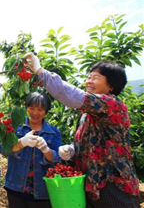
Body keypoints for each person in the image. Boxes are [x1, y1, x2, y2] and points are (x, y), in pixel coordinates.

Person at [23, 53, 141, 208]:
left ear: (112, 85)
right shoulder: (87, 114)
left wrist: (40, 71)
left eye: (96, 77)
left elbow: (70, 94)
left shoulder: (112, 105)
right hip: (91, 185)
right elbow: (90, 143)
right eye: (89, 76)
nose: (89, 81)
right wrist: (72, 150)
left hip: (113, 185)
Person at [0, 92, 62, 208]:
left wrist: (46, 149)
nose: (35, 113)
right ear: (26, 107)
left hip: (43, 192)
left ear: (46, 111)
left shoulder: (53, 132)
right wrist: (21, 142)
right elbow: (4, 150)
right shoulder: (15, 127)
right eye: (31, 108)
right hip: (16, 187)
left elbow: (56, 159)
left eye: (40, 109)